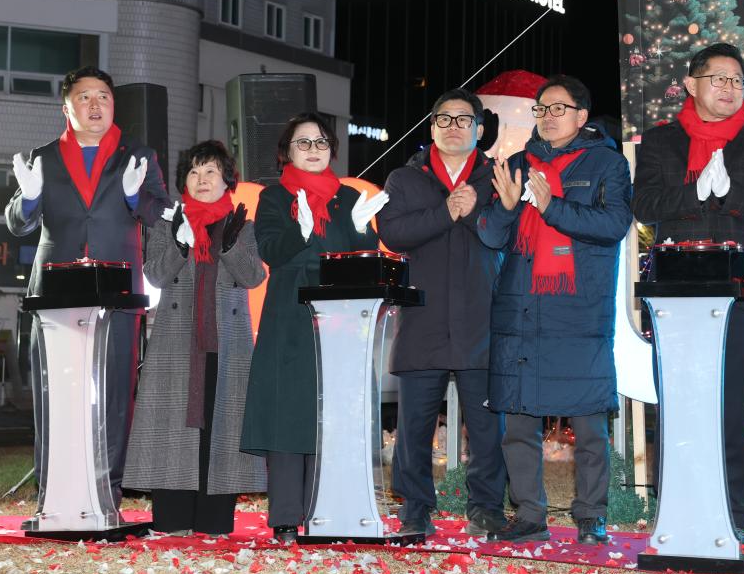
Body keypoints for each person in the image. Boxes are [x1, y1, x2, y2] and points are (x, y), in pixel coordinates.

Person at [631, 43, 744, 553]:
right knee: (677, 405)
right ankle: (673, 514)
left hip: (739, 291)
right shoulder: (659, 141)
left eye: (738, 81)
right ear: (691, 83)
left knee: (729, 409)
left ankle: (731, 520)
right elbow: (645, 204)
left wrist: (729, 191)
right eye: (719, 78)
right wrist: (695, 192)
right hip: (674, 292)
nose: (729, 88)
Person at [478, 75, 632, 544]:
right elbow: (489, 235)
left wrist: (552, 207)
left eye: (558, 109)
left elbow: (615, 224)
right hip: (521, 309)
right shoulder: (518, 163)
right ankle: (529, 515)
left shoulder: (607, 163)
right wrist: (506, 208)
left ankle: (591, 517)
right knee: (517, 422)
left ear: (582, 116)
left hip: (578, 310)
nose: (546, 117)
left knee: (588, 424)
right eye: (541, 109)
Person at [5, 65, 168, 507]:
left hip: (117, 289)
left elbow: (162, 214)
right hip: (56, 289)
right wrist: (32, 196)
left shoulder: (139, 156)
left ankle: (107, 491)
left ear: (113, 105)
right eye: (85, 97)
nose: (95, 105)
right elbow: (18, 223)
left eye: (103, 97)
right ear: (67, 106)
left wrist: (137, 198)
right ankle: (52, 492)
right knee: (53, 388)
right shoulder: (42, 157)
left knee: (115, 389)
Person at [240, 112, 389, 543]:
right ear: (287, 151)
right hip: (290, 314)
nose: (313, 150)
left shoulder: (346, 197)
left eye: (321, 143)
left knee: (334, 413)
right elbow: (270, 250)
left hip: (340, 317)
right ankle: (287, 516)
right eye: (303, 143)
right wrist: (302, 232)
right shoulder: (272, 197)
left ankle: (332, 507)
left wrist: (363, 229)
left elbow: (361, 255)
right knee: (290, 412)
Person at [377, 88, 507, 538]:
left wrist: (471, 213)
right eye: (444, 119)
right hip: (424, 319)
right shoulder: (403, 178)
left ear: (479, 128)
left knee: (487, 426)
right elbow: (392, 232)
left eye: (463, 119)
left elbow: (504, 234)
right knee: (414, 425)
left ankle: (487, 507)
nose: (454, 127)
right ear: (431, 127)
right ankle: (415, 510)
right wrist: (445, 211)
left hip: (481, 318)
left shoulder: (498, 178)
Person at [122, 140, 266, 536]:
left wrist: (232, 246)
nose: (202, 180)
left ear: (226, 180)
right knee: (173, 431)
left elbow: (253, 277)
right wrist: (182, 244)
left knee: (219, 430)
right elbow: (155, 275)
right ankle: (173, 518)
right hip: (176, 344)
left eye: (211, 172)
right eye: (194, 172)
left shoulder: (242, 225)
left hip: (227, 344)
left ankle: (213, 518)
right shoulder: (166, 223)